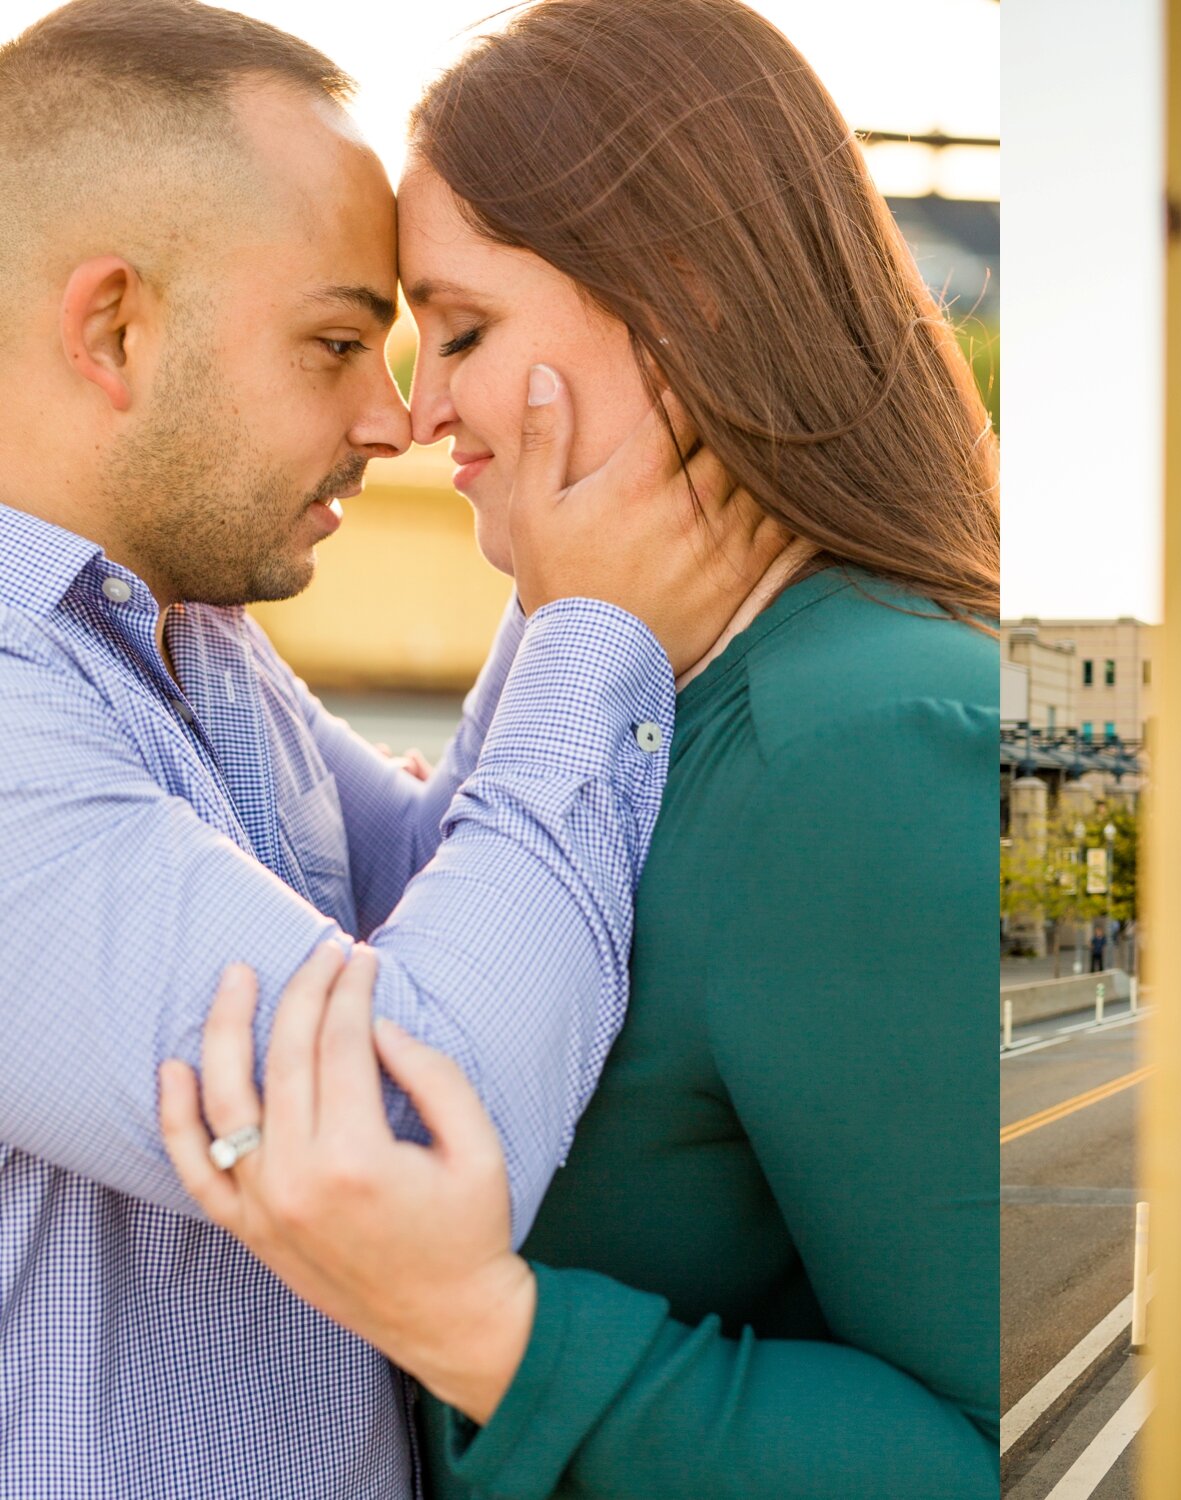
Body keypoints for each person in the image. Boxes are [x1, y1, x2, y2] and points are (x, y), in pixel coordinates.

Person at [156, 2, 1000, 1497]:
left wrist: (482, 1329)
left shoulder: (864, 749)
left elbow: (992, 1445)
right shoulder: (650, 706)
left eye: (463, 329)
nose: (420, 413)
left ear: (681, 304)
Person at [0, 4, 792, 1492]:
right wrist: (602, 626)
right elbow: (416, 1126)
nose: (398, 416)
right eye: (338, 342)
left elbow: (451, 879)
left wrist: (559, 564)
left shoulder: (183, 643)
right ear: (114, 329)